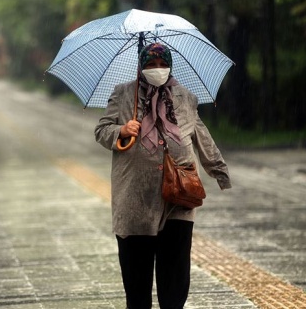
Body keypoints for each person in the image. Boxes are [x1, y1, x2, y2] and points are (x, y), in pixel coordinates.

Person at [94, 43, 232, 309]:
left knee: (175, 282)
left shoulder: (185, 97)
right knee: (137, 287)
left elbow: (201, 136)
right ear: (141, 67)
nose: (156, 70)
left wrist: (219, 171)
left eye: (161, 64)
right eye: (150, 65)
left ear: (169, 66)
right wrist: (122, 130)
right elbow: (101, 130)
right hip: (135, 200)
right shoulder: (124, 94)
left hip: (179, 196)